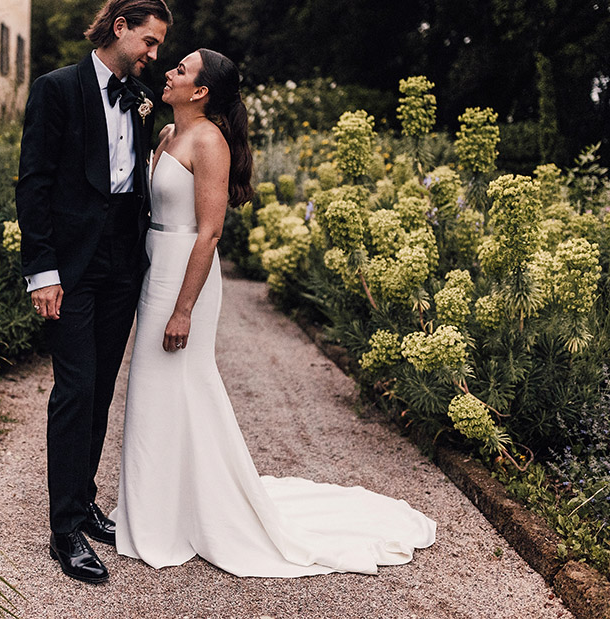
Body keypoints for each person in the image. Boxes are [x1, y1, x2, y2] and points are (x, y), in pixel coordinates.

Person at [111, 49, 437, 577]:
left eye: (182, 70)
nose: (168, 71)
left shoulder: (209, 142)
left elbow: (210, 232)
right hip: (156, 267)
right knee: (154, 390)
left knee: (178, 383)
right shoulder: (168, 135)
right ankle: (157, 510)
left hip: (185, 277)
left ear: (201, 92)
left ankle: (186, 516)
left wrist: (184, 310)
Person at [15, 0, 172, 584]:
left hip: (121, 266)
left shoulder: (140, 96)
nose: (154, 54)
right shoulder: (57, 89)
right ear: (122, 26)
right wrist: (43, 272)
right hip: (71, 268)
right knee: (74, 389)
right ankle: (62, 533)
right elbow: (34, 184)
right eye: (150, 41)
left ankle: (83, 505)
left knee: (102, 385)